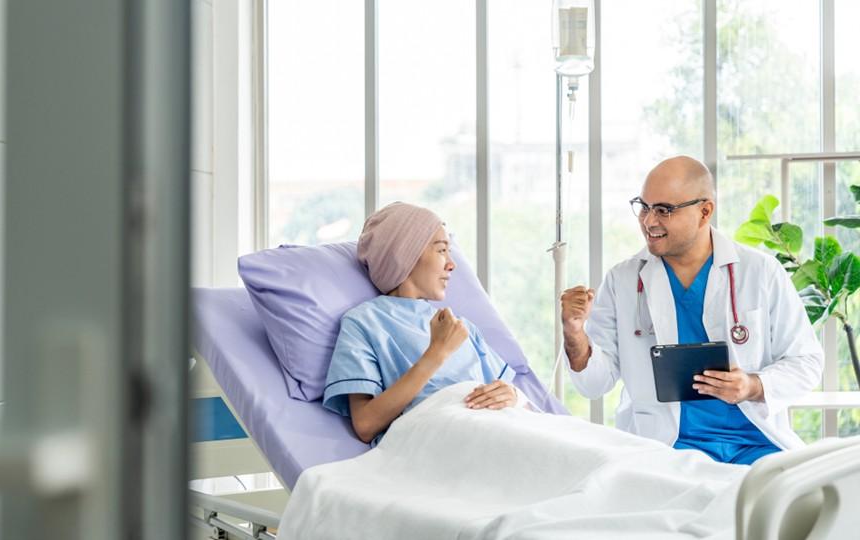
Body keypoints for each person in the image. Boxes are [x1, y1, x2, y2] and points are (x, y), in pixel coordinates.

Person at [560, 156, 823, 464]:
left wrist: (752, 385)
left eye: (664, 210)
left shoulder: (760, 271)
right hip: (667, 447)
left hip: (758, 444)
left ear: (704, 211)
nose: (648, 221)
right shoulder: (624, 279)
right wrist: (574, 333)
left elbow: (807, 363)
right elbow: (594, 384)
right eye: (643, 206)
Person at [323, 202, 523, 444]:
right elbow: (365, 425)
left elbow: (515, 405)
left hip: (498, 428)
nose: (452, 264)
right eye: (441, 250)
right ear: (405, 255)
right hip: (441, 439)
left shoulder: (460, 327)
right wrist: (436, 353)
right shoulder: (364, 322)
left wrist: (512, 396)